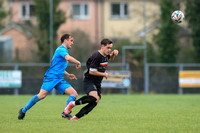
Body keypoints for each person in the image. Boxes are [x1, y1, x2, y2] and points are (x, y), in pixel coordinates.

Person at [18, 33, 81, 120]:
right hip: (51, 77)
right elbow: (68, 58)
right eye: (71, 40)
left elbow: (57, 66)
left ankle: (66, 113)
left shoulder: (63, 51)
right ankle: (23, 110)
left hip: (59, 78)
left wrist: (68, 74)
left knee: (74, 94)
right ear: (65, 40)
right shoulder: (61, 49)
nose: (72, 43)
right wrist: (78, 62)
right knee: (41, 96)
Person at [64, 38, 119, 121]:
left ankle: (75, 117)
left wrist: (113, 54)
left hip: (97, 82)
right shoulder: (96, 56)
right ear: (102, 46)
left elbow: (109, 58)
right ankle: (72, 104)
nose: (109, 50)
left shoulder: (104, 55)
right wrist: (104, 74)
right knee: (93, 98)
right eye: (108, 48)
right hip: (90, 80)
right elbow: (92, 72)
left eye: (110, 48)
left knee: (95, 101)